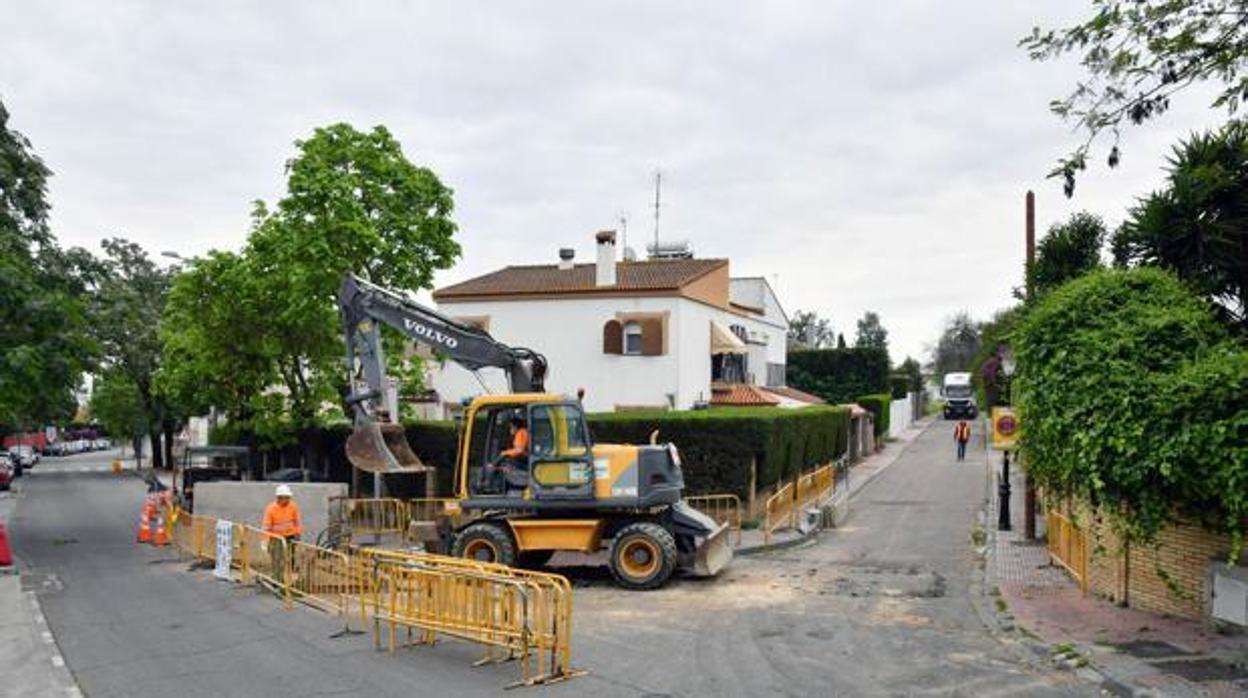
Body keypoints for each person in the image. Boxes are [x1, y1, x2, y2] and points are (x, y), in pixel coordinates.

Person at [262, 484, 303, 585]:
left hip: (290, 537)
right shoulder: (271, 509)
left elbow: (297, 521)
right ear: (279, 498)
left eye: (289, 497)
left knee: (290, 560)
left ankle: (288, 582)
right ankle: (277, 581)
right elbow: (266, 526)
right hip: (276, 538)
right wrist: (265, 541)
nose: (288, 500)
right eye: (286, 498)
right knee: (277, 560)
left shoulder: (293, 506)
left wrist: (298, 533)